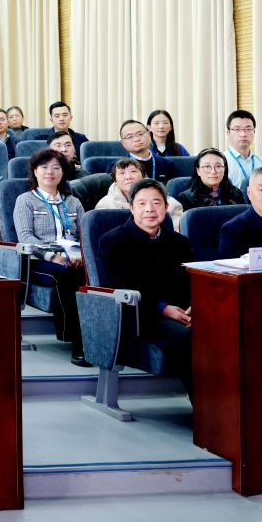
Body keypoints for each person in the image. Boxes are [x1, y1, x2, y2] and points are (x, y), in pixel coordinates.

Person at [94, 179, 195, 390]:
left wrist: (195, 307)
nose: (150, 209)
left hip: (181, 313)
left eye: (157, 203)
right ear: (131, 207)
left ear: (166, 207)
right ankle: (208, 407)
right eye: (142, 203)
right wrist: (163, 308)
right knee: (189, 338)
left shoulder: (180, 243)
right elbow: (118, 288)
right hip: (140, 316)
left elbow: (191, 283)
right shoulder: (113, 241)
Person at [17, 150, 89, 364]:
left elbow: (85, 235)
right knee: (68, 277)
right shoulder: (25, 200)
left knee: (93, 276)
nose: (50, 172)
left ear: (63, 173)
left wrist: (81, 256)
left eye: (56, 168)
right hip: (40, 261)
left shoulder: (73, 202)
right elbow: (25, 237)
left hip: (74, 258)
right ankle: (77, 341)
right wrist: (51, 256)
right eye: (44, 167)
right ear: (35, 171)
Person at [95, 157, 183, 229]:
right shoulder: (105, 206)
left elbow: (176, 233)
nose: (128, 177)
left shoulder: (169, 203)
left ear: (143, 176)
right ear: (115, 180)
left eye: (133, 171)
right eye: (122, 173)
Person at [177, 148, 247, 210]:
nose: (213, 171)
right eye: (207, 166)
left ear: (224, 170)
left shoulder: (236, 193)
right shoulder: (186, 198)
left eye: (218, 166)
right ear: (198, 171)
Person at [223, 109, 262, 191]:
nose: (243, 134)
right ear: (228, 133)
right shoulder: (221, 163)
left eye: (248, 129)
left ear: (254, 132)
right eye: (237, 129)